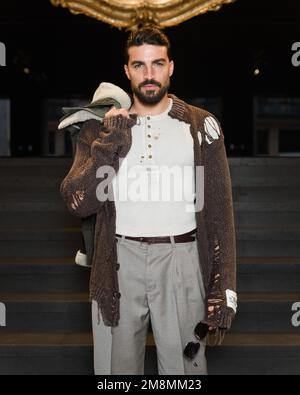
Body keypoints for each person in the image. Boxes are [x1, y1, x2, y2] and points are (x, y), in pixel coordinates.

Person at [60, 27, 237, 375]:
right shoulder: (101, 128)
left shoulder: (201, 126)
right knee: (116, 372)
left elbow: (220, 213)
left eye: (157, 64)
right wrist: (112, 140)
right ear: (127, 71)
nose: (149, 74)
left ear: (171, 66)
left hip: (181, 259)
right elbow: (79, 202)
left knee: (185, 371)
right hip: (118, 262)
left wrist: (224, 289)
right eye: (139, 66)